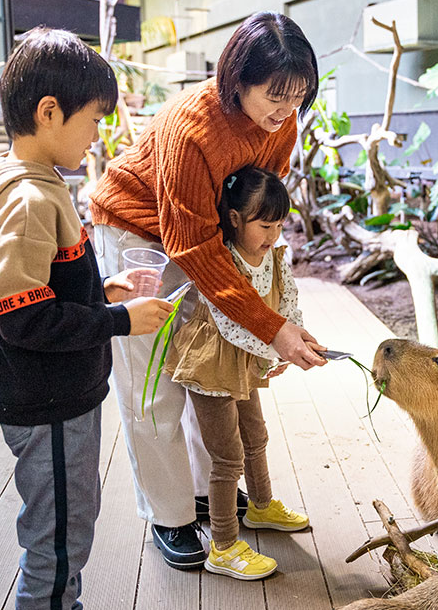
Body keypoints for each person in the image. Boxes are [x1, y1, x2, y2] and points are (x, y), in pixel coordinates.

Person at [89, 11, 327, 570]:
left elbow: (248, 213)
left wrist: (268, 321)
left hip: (206, 235)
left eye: (298, 98)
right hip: (138, 232)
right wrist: (270, 328)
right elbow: (192, 247)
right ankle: (169, 515)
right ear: (237, 79)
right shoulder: (191, 128)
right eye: (275, 96)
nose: (286, 112)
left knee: (207, 363)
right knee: (152, 377)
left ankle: (204, 490)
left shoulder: (281, 125)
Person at [0, 27, 175, 609]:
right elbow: (23, 319)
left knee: (69, 522)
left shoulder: (31, 182)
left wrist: (100, 292)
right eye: (93, 120)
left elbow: (41, 287)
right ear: (49, 113)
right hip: (49, 400)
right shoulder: (28, 201)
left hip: (54, 393)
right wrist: (118, 320)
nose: (97, 134)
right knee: (57, 543)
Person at [164, 166, 309, 580]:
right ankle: (223, 545)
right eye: (264, 226)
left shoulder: (275, 257)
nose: (273, 235)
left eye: (279, 225)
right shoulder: (222, 262)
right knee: (227, 457)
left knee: (255, 435)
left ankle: (261, 506)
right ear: (234, 218)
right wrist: (277, 349)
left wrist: (299, 339)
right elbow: (231, 326)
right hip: (210, 364)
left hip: (246, 360)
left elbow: (289, 304)